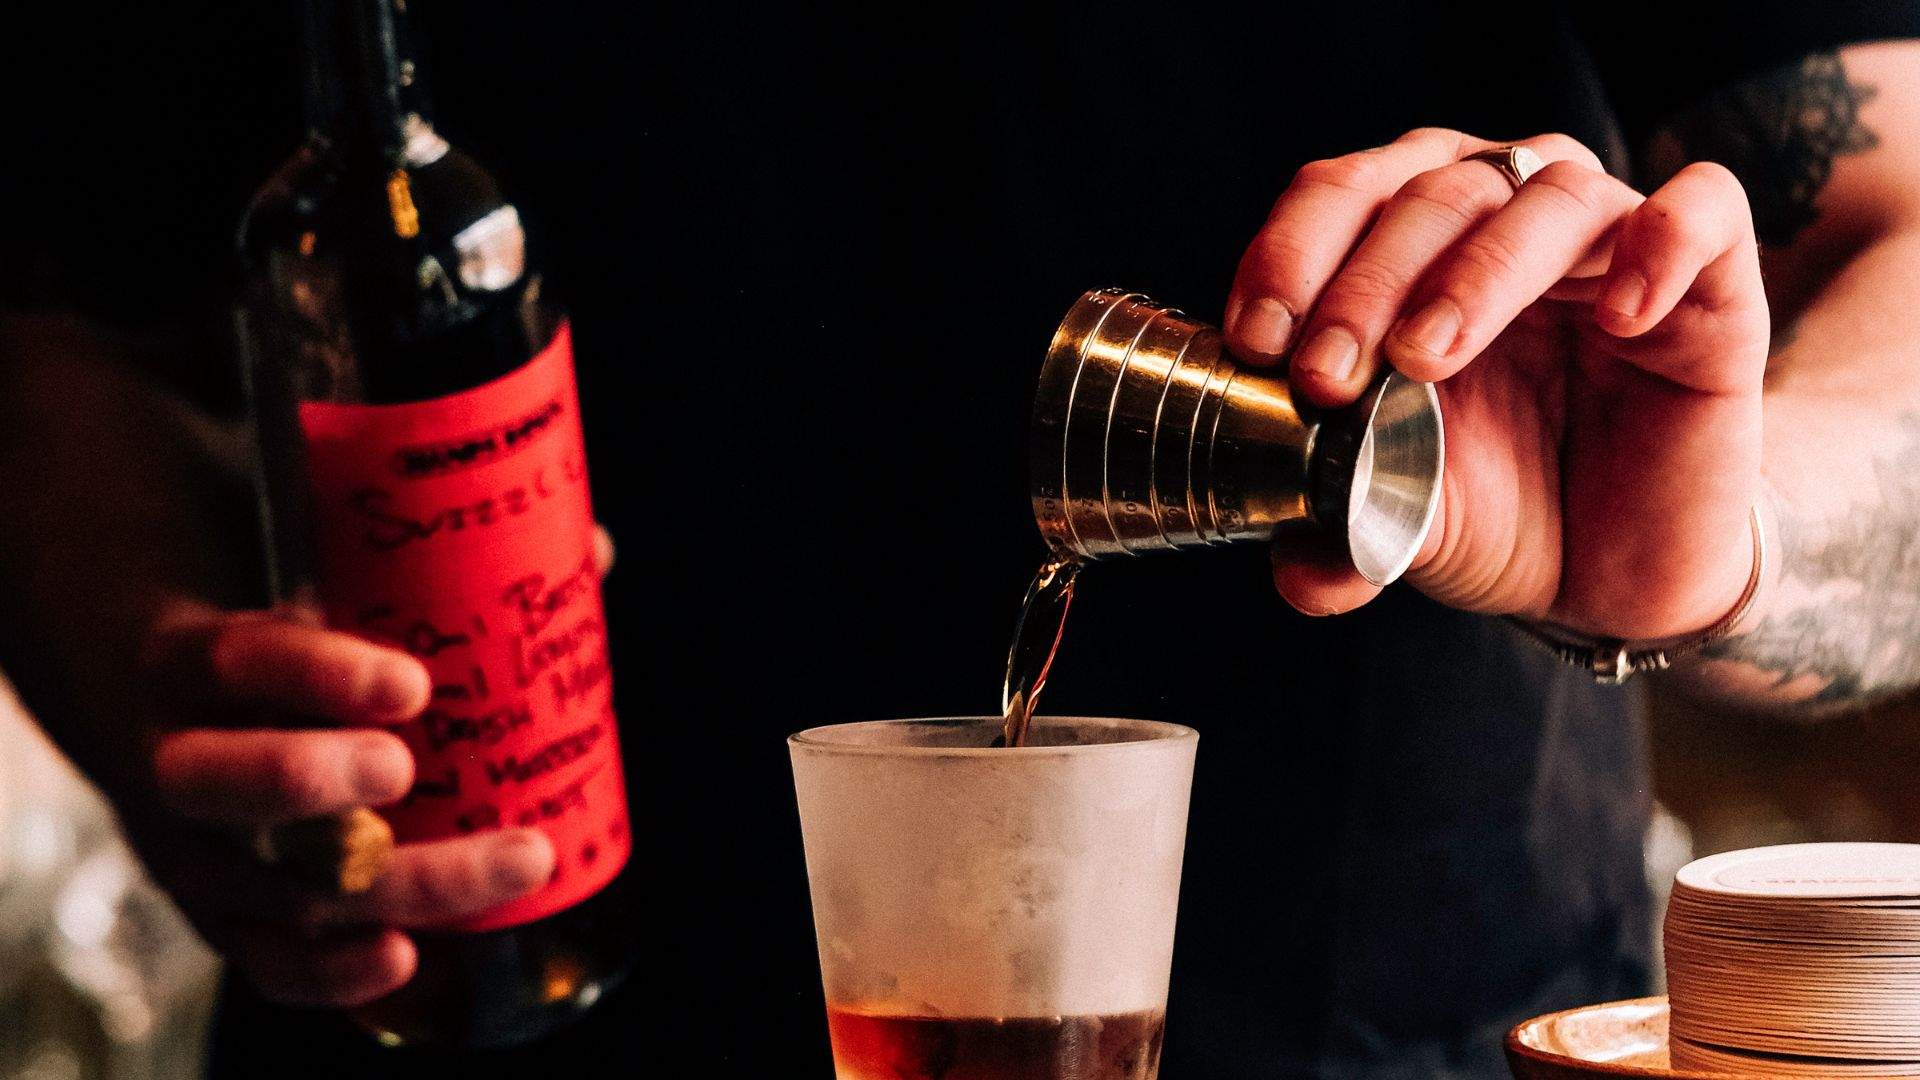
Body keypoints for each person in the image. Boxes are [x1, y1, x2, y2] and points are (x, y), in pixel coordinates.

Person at [5, 2, 1920, 1077]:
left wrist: (1723, 533)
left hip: (1396, 1027)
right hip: (489, 1009)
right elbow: (58, 307)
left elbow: (1901, 225)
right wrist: (154, 658)